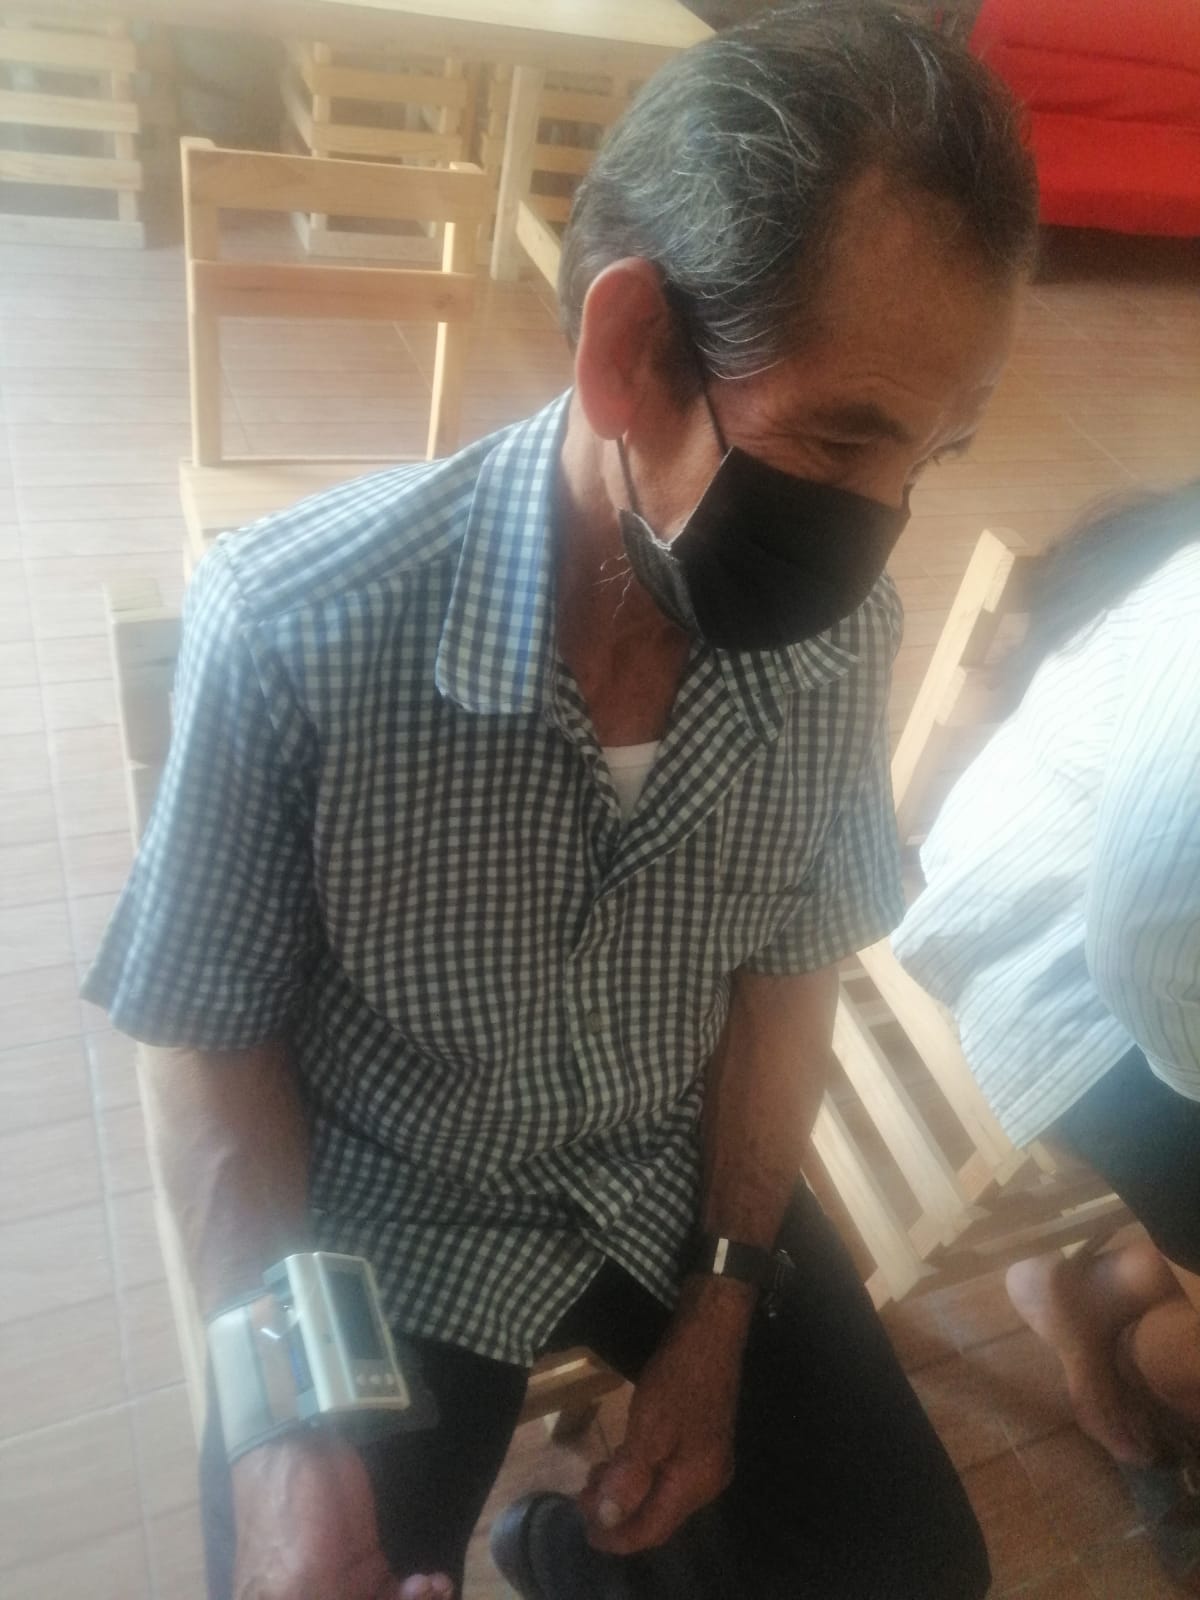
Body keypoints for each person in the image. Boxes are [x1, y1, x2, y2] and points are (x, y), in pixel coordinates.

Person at [82, 4, 1037, 1596]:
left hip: (670, 1174)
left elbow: (789, 968)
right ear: (633, 353)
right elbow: (206, 1036)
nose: (881, 527)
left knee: (911, 1568)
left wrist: (724, 1297)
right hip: (393, 1210)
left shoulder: (835, 638)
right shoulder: (302, 629)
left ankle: (571, 1562)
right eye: (842, 439)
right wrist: (286, 1431)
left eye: (932, 459)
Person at [894, 482, 1200, 1587]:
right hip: (1056, 967)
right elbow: (1148, 952)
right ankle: (1125, 1344)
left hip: (1131, 942)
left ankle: (1085, 1299)